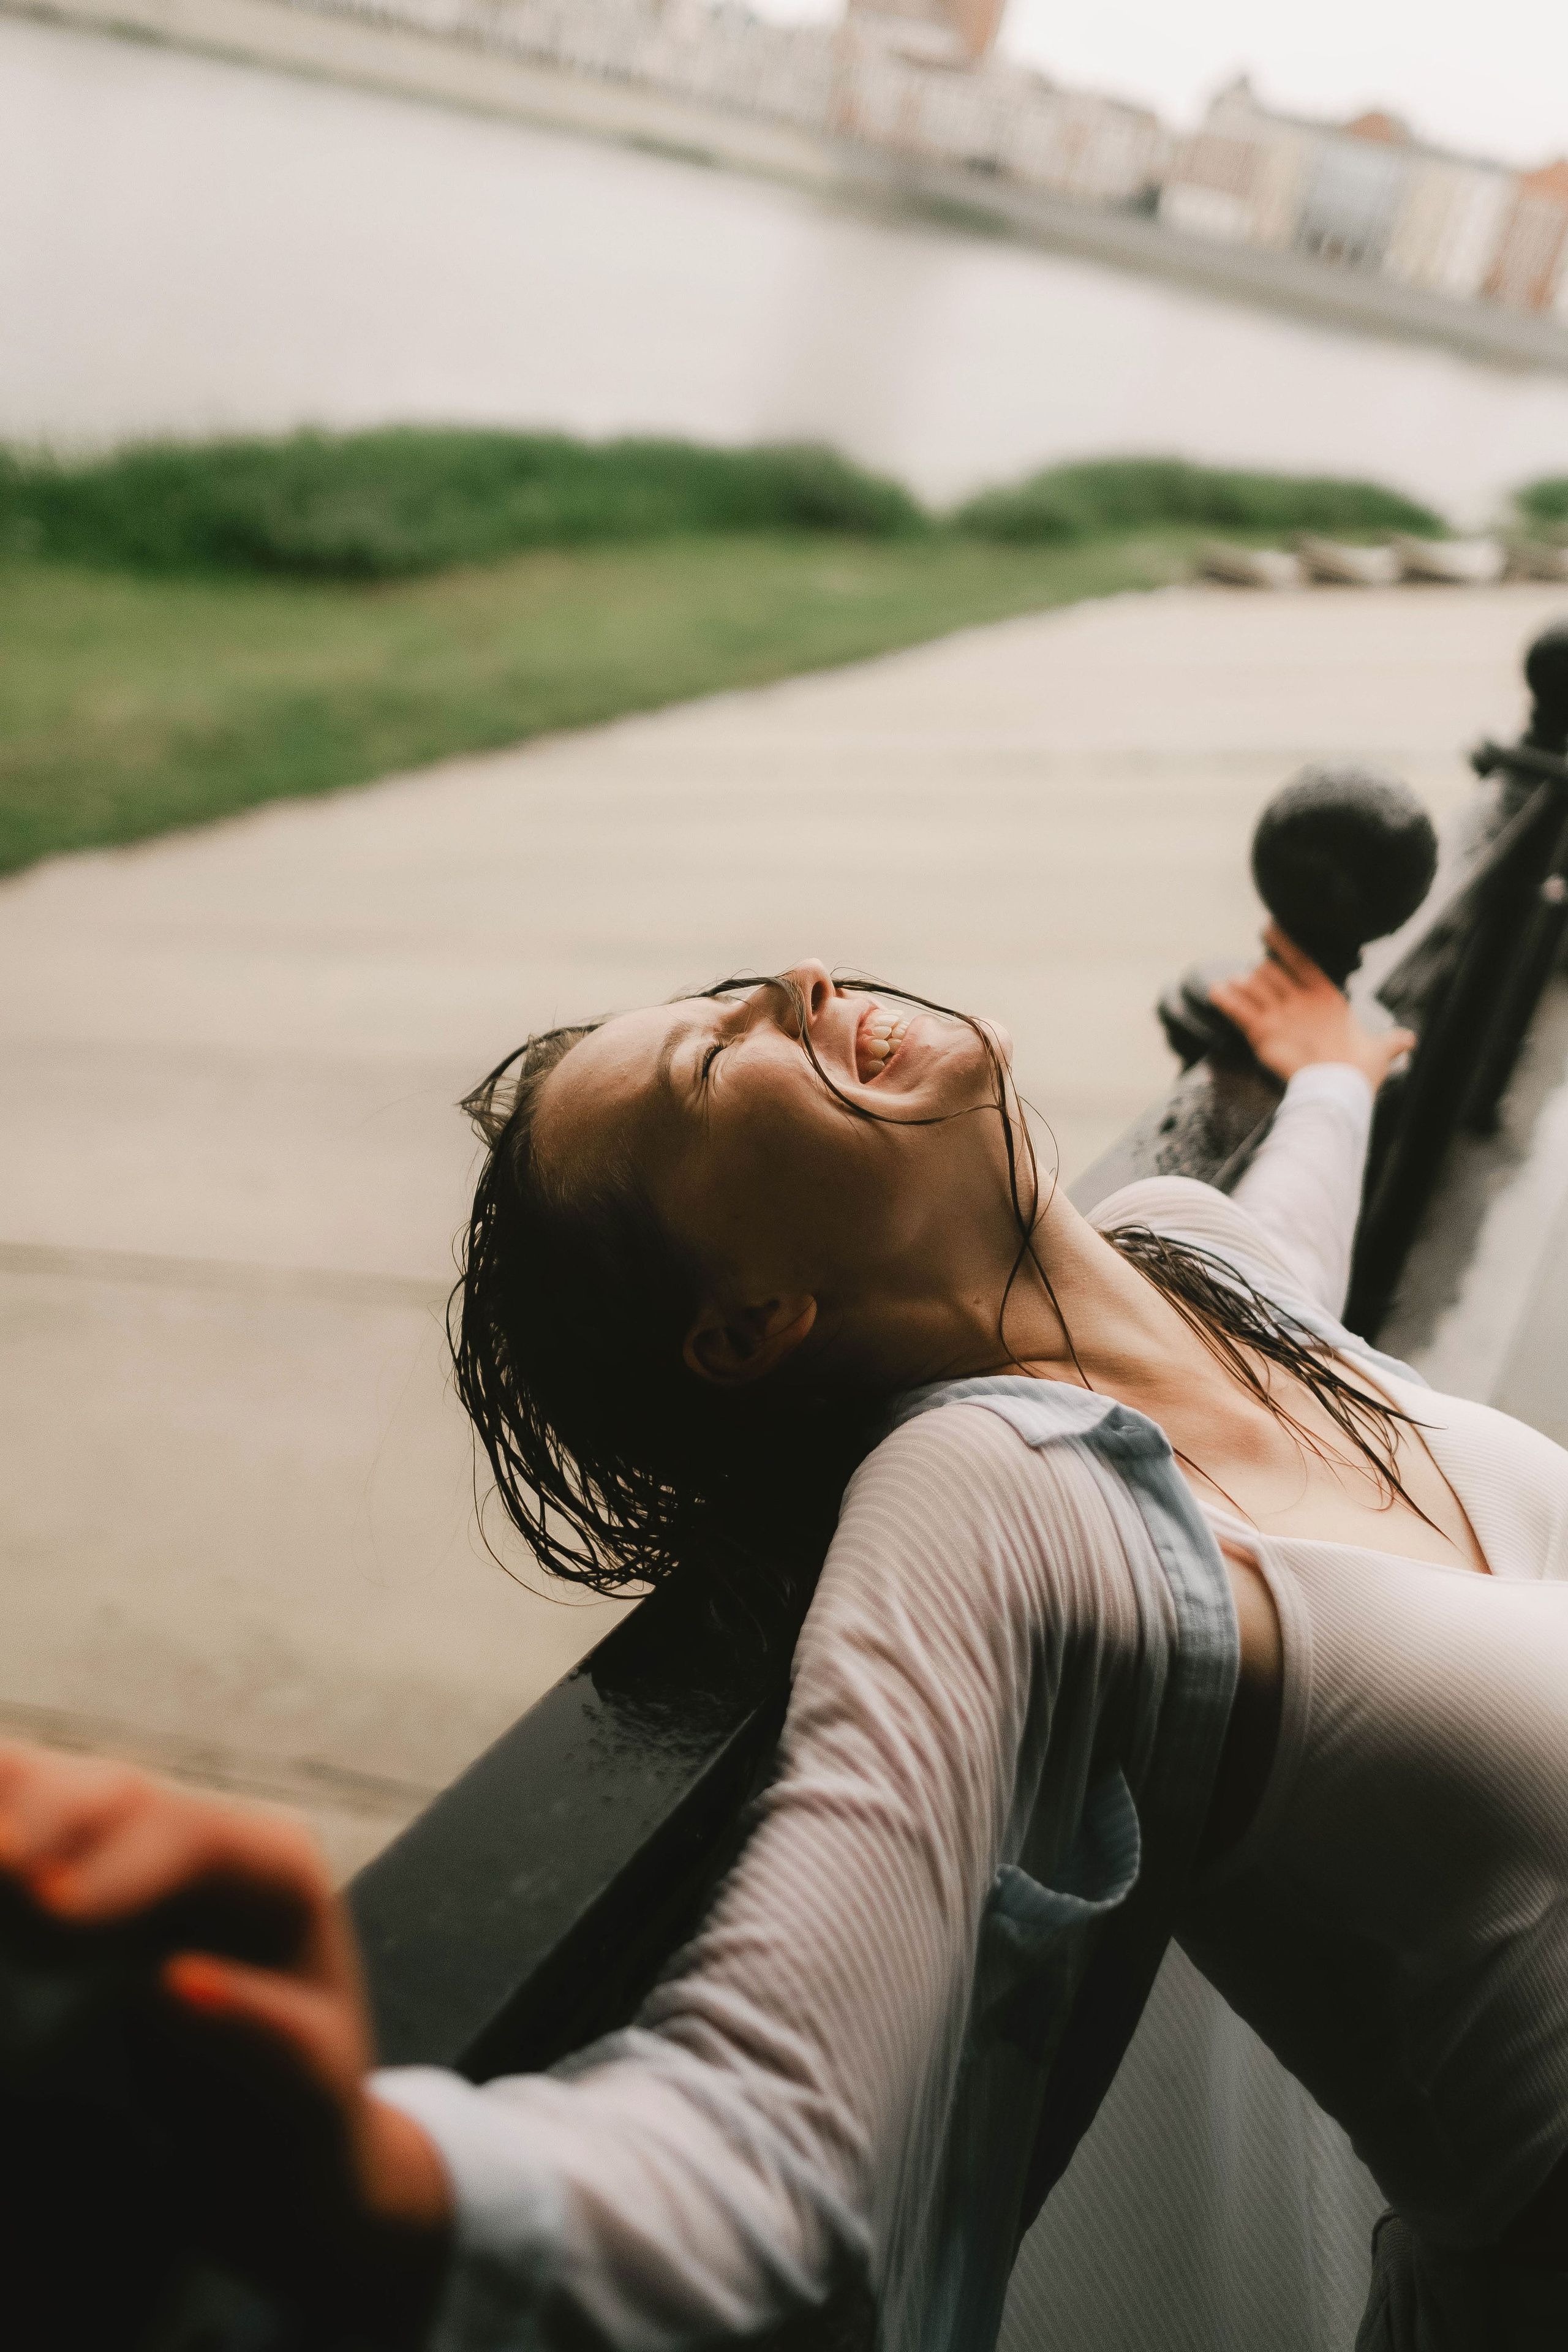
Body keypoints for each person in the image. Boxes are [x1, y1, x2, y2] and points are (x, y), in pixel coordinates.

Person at [4, 935, 1568, 2352]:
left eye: (744, 983)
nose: (803, 980)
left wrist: (1328, 1080)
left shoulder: (1185, 1261)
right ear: (748, 1321)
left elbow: (1295, 1248)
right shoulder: (1004, 1497)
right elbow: (766, 2139)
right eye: (711, 1061)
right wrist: (358, 2166)